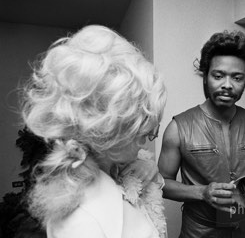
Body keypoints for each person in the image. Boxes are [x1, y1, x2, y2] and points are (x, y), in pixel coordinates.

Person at [20, 25, 167, 238]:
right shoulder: (83, 222)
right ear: (111, 132)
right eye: (143, 133)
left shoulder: (112, 171)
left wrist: (149, 168)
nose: (146, 141)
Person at [158, 30, 245, 238]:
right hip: (199, 231)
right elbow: (160, 184)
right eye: (218, 75)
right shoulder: (178, 127)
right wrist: (202, 193)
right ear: (205, 77)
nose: (227, 85)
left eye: (237, 77)